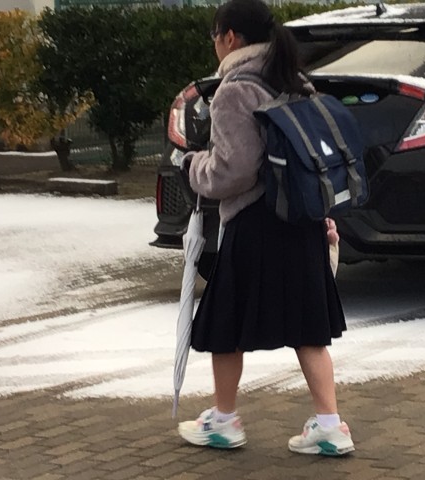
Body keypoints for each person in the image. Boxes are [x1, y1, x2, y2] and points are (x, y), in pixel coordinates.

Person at [177, 0, 354, 456]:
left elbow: (233, 171)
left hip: (256, 221)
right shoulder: (293, 78)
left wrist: (193, 167)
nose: (215, 45)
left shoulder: (234, 90)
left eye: (215, 36)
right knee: (308, 327)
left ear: (230, 37)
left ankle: (223, 420)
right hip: (302, 217)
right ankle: (330, 425)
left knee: (223, 323)